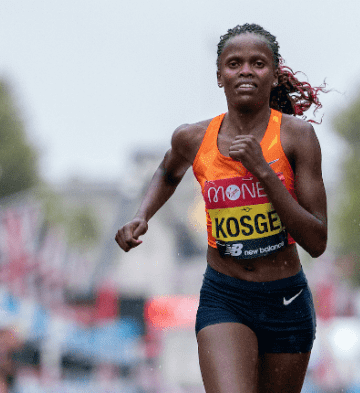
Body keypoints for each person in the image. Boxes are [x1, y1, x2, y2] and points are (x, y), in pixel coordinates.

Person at [115, 23, 328, 393]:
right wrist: (141, 215)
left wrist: (264, 171)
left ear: (274, 74)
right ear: (219, 76)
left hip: (285, 299)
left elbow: (317, 240)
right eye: (234, 63)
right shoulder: (193, 138)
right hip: (225, 296)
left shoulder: (296, 137)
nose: (245, 70)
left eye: (258, 63)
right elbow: (168, 171)